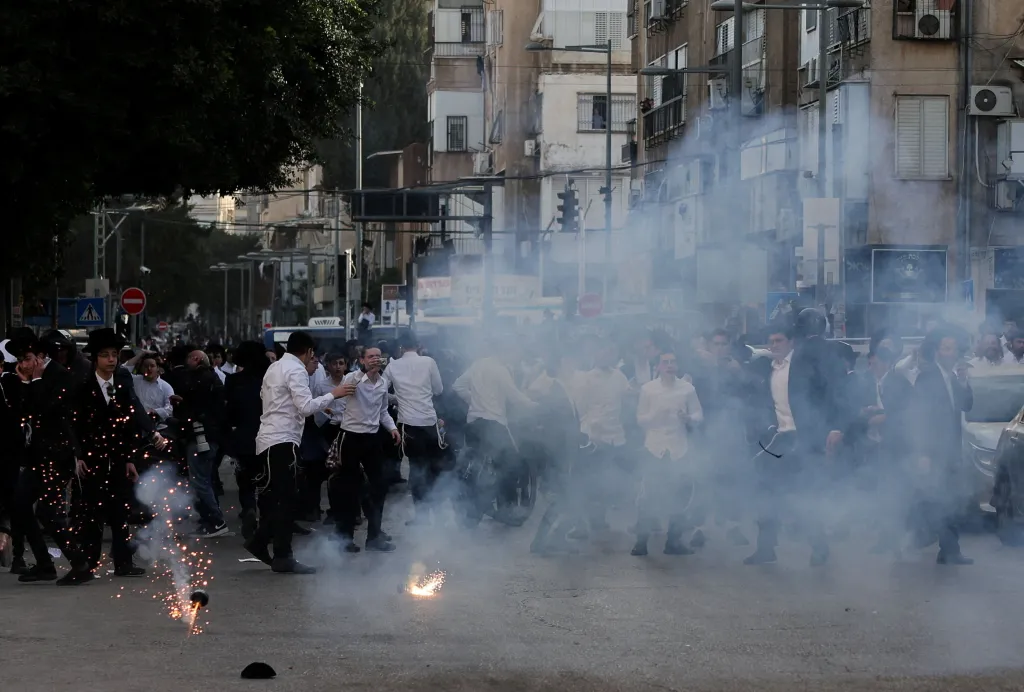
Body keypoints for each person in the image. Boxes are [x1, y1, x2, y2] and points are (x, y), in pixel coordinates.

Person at [247, 331, 349, 574]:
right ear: (309, 351)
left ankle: (261, 542)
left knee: (282, 497)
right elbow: (305, 407)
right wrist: (333, 395)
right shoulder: (296, 370)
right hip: (282, 440)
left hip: (270, 439)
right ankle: (282, 555)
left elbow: (266, 397)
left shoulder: (275, 367)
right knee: (286, 500)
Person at [63, 328, 148, 585]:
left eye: (114, 355)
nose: (111, 360)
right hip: (92, 459)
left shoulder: (122, 385)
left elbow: (129, 424)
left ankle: (124, 562)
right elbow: (72, 424)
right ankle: (88, 563)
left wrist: (130, 458)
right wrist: (77, 456)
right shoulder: (82, 385)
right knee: (91, 513)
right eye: (105, 355)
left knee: (121, 512)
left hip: (119, 459)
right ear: (95, 358)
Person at [907, 328, 975, 565]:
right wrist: (923, 452)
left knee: (949, 499)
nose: (951, 352)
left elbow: (967, 406)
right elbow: (920, 417)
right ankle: (934, 543)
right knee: (939, 500)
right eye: (946, 348)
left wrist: (964, 382)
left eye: (954, 348)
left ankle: (948, 549)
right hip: (935, 451)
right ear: (937, 351)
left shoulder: (953, 377)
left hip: (951, 450)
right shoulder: (928, 377)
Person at [327, 345, 401, 552]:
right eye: (371, 357)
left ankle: (375, 537)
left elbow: (383, 411)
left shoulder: (383, 383)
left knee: (379, 486)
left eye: (378, 356)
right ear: (362, 360)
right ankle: (345, 538)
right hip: (350, 437)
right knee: (348, 489)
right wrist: (365, 373)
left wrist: (393, 429)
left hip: (372, 438)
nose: (375, 360)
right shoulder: (352, 378)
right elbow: (346, 389)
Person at [632, 351, 704, 557]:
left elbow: (699, 414)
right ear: (659, 366)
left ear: (678, 365)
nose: (670, 365)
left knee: (681, 495)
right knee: (648, 495)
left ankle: (673, 541)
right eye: (666, 362)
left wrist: (688, 417)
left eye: (673, 362)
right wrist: (654, 415)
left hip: (679, 448)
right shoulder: (648, 389)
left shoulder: (687, 389)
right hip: (654, 447)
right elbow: (640, 419)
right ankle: (641, 542)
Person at [383, 333, 445, 525]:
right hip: (429, 422)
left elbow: (381, 391)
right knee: (433, 468)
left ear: (401, 347)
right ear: (419, 345)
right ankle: (435, 513)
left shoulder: (392, 365)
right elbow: (439, 390)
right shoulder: (429, 362)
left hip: (408, 425)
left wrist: (397, 399)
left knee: (417, 469)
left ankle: (421, 516)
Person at [224, 342, 271, 540]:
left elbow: (229, 412)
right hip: (268, 435)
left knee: (245, 479)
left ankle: (249, 508)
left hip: (243, 436)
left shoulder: (234, 381)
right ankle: (266, 517)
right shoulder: (269, 379)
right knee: (266, 479)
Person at [132, 354, 175, 421]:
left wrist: (154, 412)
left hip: (157, 424)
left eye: (152, 366)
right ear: (141, 368)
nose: (149, 369)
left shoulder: (166, 387)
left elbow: (169, 408)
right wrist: (140, 354)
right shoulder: (135, 380)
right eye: (146, 366)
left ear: (157, 368)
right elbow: (124, 368)